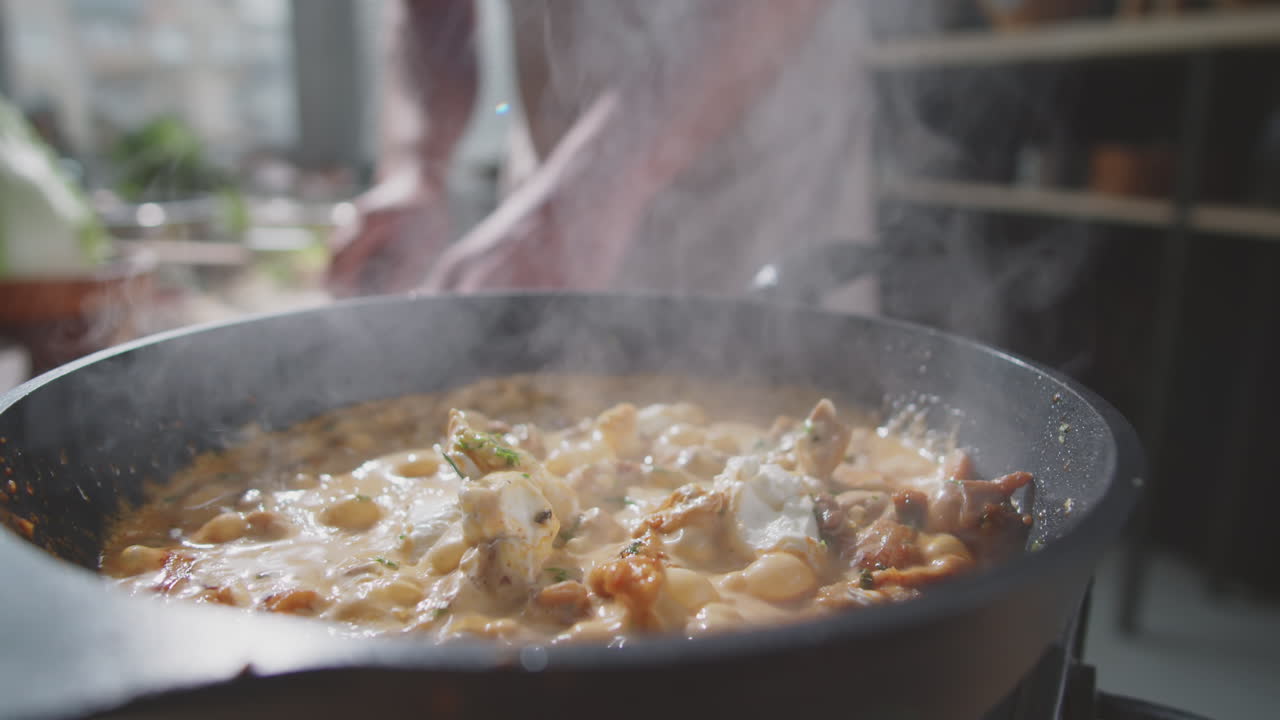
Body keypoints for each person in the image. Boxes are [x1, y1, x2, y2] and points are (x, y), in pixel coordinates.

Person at [327, 0, 875, 300]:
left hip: (756, 173)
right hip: (549, 172)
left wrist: (590, 191)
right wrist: (418, 165)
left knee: (784, 399)